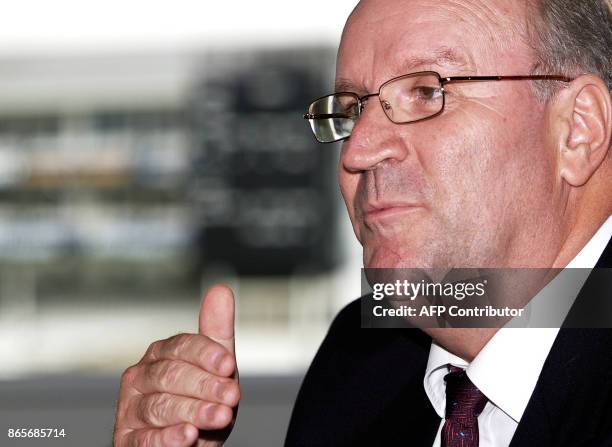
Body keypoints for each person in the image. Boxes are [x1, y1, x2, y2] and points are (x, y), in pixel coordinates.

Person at [113, 0, 612, 445]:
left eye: (426, 91)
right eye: (351, 111)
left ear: (578, 130)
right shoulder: (360, 362)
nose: (359, 150)